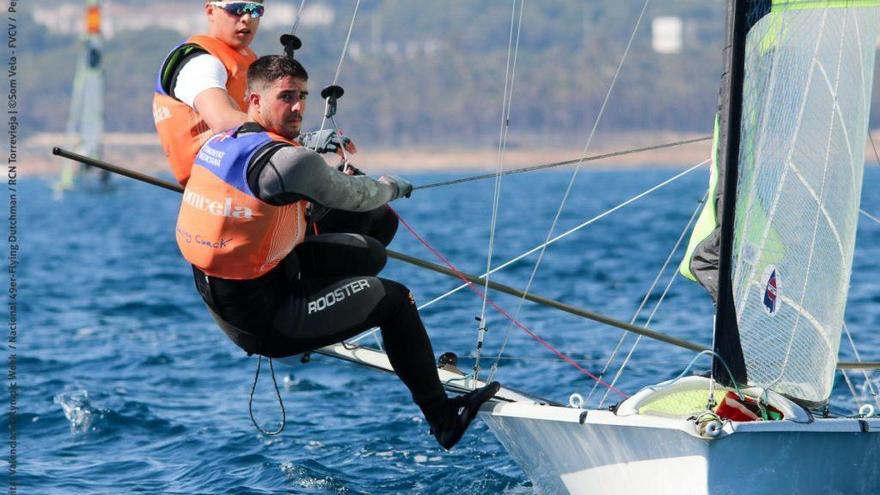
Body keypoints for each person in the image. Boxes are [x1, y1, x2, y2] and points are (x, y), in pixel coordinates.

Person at [175, 54, 500, 450]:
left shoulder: (223, 139)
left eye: (303, 97)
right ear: (255, 102)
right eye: (286, 97)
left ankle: (334, 308)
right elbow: (360, 195)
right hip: (264, 320)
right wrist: (392, 186)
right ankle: (443, 418)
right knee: (394, 299)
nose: (297, 107)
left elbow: (284, 179)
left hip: (255, 279)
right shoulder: (291, 162)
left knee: (377, 228)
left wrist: (311, 147)